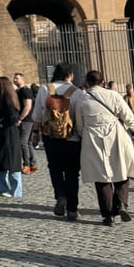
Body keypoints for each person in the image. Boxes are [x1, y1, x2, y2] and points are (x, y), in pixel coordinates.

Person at [74, 69, 134, 226]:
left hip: (93, 138)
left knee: (101, 178)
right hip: (116, 135)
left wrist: (84, 136)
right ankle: (121, 203)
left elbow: (79, 126)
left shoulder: (82, 100)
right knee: (123, 171)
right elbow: (128, 117)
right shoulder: (113, 95)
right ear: (103, 82)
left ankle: (108, 215)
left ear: (87, 82)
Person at [32, 63, 83, 221]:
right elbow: (79, 115)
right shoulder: (77, 92)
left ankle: (60, 195)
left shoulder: (45, 89)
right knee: (72, 173)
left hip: (50, 136)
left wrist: (35, 133)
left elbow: (38, 114)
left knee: (54, 168)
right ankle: (73, 210)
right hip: (71, 137)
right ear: (70, 75)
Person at [0, 76, 22, 198]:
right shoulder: (10, 97)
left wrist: (2, 123)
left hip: (8, 133)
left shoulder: (7, 99)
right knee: (1, 161)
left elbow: (12, 117)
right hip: (6, 133)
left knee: (11, 161)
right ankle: (1, 187)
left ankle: (16, 190)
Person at [13, 72, 36, 173]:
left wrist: (20, 118)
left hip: (26, 120)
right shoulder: (18, 91)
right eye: (14, 78)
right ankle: (33, 164)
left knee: (23, 142)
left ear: (22, 79)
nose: (15, 80)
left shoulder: (26, 91)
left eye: (17, 78)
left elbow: (28, 106)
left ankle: (26, 165)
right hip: (25, 119)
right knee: (28, 142)